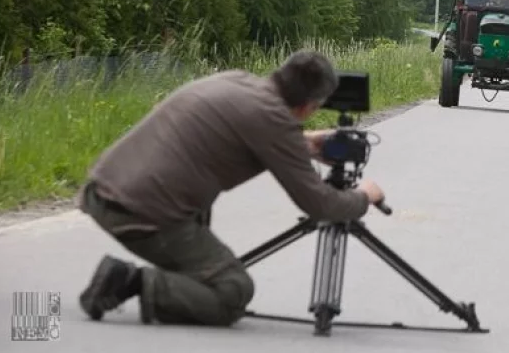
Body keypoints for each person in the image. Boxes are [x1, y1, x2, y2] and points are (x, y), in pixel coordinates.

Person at [76, 50, 385, 327]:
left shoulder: (238, 81)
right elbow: (320, 204)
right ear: (307, 107)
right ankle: (132, 282)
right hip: (139, 214)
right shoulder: (274, 121)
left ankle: (181, 279)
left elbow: (252, 129)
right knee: (233, 290)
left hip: (105, 188)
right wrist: (364, 196)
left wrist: (305, 145)